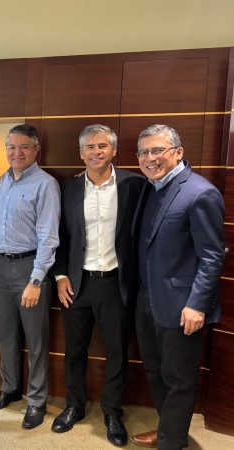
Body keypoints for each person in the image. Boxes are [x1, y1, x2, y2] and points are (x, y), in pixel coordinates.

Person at [131, 124, 225, 450]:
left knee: (179, 378)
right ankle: (169, 430)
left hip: (182, 305)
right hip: (146, 300)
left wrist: (198, 304)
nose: (150, 158)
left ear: (178, 152)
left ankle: (171, 443)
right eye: (143, 152)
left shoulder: (200, 192)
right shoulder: (149, 187)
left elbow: (212, 256)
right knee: (155, 371)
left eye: (158, 150)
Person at [52, 124, 145, 445]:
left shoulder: (135, 185)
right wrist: (60, 275)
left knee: (117, 352)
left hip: (116, 283)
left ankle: (112, 412)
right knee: (74, 350)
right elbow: (60, 236)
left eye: (102, 146)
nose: (96, 152)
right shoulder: (69, 188)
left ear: (114, 151)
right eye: (89, 147)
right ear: (81, 153)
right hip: (76, 284)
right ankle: (74, 406)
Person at [0, 124, 60, 429]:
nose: (16, 153)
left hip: (29, 268)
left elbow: (49, 236)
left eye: (24, 147)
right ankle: (10, 387)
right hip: (0, 264)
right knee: (5, 333)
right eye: (11, 147)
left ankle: (36, 401)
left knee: (35, 338)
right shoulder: (3, 179)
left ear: (36, 150)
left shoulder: (46, 184)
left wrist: (36, 280)